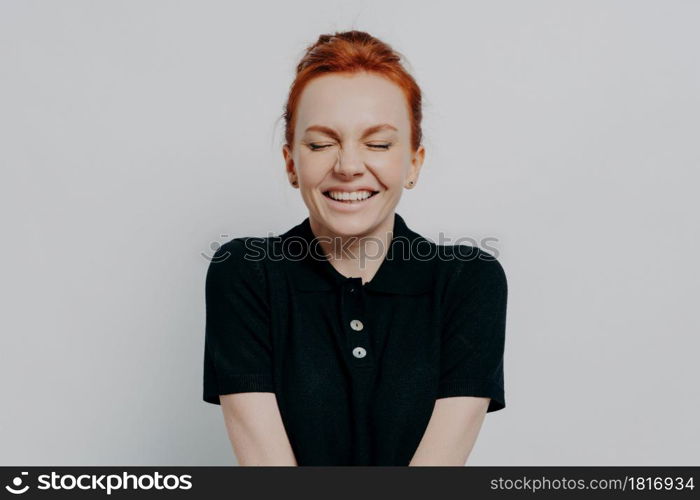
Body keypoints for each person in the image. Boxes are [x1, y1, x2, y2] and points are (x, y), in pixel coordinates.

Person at [203, 30, 508, 466]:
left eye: (379, 144)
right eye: (321, 144)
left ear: (413, 163)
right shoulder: (245, 273)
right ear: (291, 163)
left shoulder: (468, 281)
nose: (347, 167)